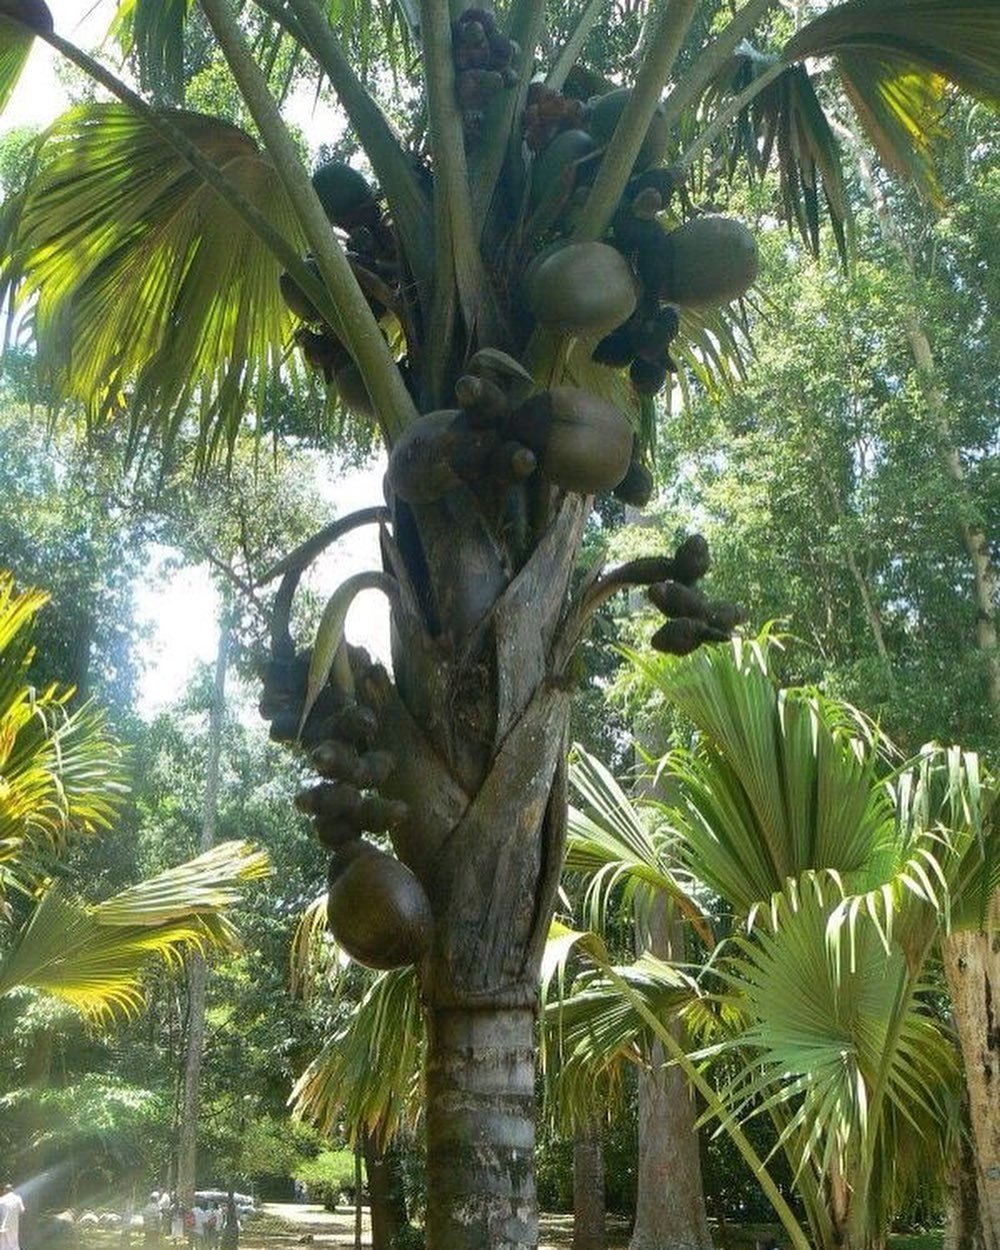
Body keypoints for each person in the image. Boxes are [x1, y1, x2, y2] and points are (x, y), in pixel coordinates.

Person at [0, 1183, 25, 1250]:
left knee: (3, 1245)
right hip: (14, 1226)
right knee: (14, 1245)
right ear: (13, 1190)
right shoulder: (18, 1198)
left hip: (2, 1226)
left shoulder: (1, 1200)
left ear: (5, 1190)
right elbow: (22, 1210)